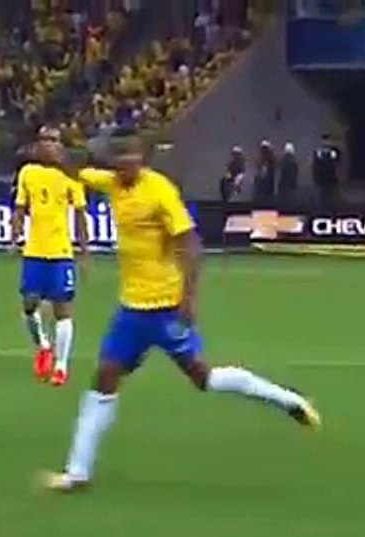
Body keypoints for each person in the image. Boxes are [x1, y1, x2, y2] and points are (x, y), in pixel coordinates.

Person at [41, 131, 322, 492]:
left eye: (132, 155)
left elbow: (192, 245)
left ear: (143, 157)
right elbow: (76, 171)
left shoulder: (159, 191)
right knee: (105, 377)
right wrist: (55, 152)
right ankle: (77, 473)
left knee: (203, 378)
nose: (126, 162)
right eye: (119, 156)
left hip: (165, 308)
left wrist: (189, 298)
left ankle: (290, 401)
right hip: (131, 310)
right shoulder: (111, 183)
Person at [11, 126, 91, 386]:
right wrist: (15, 236)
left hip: (61, 252)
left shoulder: (70, 177)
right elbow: (20, 208)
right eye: (44, 140)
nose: (48, 144)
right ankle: (44, 346)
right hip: (34, 251)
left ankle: (61, 367)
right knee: (29, 305)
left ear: (61, 145)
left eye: (53, 140)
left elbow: (80, 216)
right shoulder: (28, 172)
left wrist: (84, 252)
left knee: (62, 309)